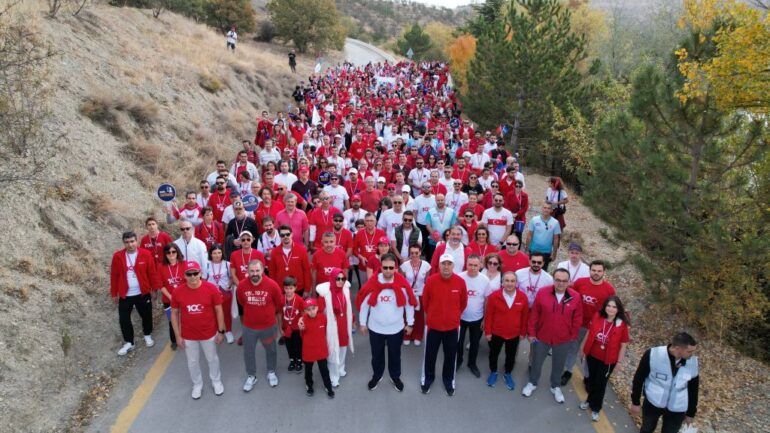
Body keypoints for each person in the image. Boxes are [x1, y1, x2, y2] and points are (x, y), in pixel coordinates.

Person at [522, 268, 582, 404]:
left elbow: (577, 318)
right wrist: (531, 333)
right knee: (536, 361)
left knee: (559, 364)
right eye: (558, 280)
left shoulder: (575, 296)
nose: (560, 283)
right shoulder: (543, 292)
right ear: (553, 280)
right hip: (542, 336)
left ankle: (555, 386)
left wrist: (572, 335)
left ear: (569, 282)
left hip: (563, 339)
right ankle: (532, 382)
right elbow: (534, 314)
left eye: (564, 281)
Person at [358, 253, 416, 392]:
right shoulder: (373, 282)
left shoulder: (402, 284)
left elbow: (408, 304)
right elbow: (365, 304)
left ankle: (395, 376)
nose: (388, 271)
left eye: (391, 268)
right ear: (381, 267)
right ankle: (377, 376)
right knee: (376, 355)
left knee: (395, 355)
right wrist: (362, 323)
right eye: (385, 268)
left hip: (396, 329)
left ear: (395, 268)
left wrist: (410, 323)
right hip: (375, 328)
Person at [170, 261, 226, 399]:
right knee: (192, 362)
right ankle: (197, 384)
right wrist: (177, 336)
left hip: (209, 333)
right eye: (189, 274)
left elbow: (219, 310)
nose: (193, 276)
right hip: (188, 335)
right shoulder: (178, 292)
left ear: (200, 273)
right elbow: (174, 314)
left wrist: (221, 331)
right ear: (185, 275)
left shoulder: (211, 289)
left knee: (212, 359)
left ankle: (216, 381)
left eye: (195, 273)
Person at [631, 333, 700, 433]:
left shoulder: (692, 362)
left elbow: (693, 390)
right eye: (689, 351)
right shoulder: (653, 355)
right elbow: (638, 378)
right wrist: (635, 402)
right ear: (677, 348)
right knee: (646, 430)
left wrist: (690, 413)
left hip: (677, 409)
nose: (692, 354)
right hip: (652, 403)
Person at [562, 259, 616, 386]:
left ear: (604, 272)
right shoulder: (580, 283)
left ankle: (587, 377)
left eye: (599, 271)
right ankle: (568, 371)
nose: (596, 273)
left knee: (589, 353)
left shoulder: (609, 289)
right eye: (594, 270)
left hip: (596, 327)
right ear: (589, 270)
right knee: (572, 349)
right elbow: (568, 295)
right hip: (578, 323)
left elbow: (613, 307)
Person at [421, 253, 468, 396]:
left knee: (450, 356)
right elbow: (425, 303)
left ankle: (448, 380)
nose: (446, 267)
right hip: (433, 327)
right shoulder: (430, 281)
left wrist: (452, 316)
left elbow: (463, 304)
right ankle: (428, 379)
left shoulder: (460, 282)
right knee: (430, 355)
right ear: (439, 265)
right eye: (443, 264)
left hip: (452, 327)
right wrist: (434, 316)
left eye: (449, 264)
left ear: (453, 266)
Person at [578, 296, 630, 422]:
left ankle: (596, 408)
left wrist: (619, 362)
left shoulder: (622, 325)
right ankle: (589, 400)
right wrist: (583, 348)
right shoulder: (597, 316)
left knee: (600, 383)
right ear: (604, 307)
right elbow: (589, 332)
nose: (611, 309)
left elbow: (623, 345)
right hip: (593, 355)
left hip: (608, 360)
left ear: (618, 309)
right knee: (591, 380)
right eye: (608, 306)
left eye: (614, 307)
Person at [110, 231, 161, 356]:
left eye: (132, 241)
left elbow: (152, 273)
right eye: (127, 242)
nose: (130, 244)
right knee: (124, 319)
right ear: (124, 243)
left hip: (142, 292)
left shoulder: (146, 254)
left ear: (136, 241)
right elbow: (114, 276)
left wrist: (154, 290)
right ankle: (129, 342)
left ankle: (147, 334)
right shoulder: (118, 256)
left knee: (146, 315)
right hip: (125, 294)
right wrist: (114, 293)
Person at [238, 260, 284, 391]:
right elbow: (242, 302)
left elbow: (279, 303)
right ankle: (251, 376)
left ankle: (271, 372)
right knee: (248, 352)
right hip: (249, 327)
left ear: (263, 270)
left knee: (271, 350)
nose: (254, 274)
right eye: (251, 271)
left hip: (268, 326)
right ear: (248, 271)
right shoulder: (241, 286)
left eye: (257, 270)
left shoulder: (272, 285)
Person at [484, 271, 528, 390]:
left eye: (512, 281)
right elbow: (489, 315)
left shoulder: (523, 297)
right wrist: (488, 332)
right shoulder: (494, 296)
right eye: (507, 280)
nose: (509, 283)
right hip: (496, 333)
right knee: (494, 354)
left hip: (514, 334)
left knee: (511, 356)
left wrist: (523, 332)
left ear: (516, 283)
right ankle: (493, 372)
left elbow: (525, 317)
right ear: (502, 282)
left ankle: (507, 373)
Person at [315, 268, 354, 388]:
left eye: (343, 279)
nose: (341, 281)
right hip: (331, 327)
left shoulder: (345, 291)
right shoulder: (325, 294)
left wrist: (352, 319)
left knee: (343, 347)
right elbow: (319, 312)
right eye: (338, 278)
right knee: (332, 350)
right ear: (332, 278)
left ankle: (341, 367)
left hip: (343, 324)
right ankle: (333, 375)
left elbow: (348, 306)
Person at [457, 255, 491, 378]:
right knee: (458, 343)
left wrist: (485, 319)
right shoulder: (459, 278)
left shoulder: (485, 280)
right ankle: (458, 361)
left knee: (475, 343)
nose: (472, 267)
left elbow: (487, 300)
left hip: (477, 318)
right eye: (470, 264)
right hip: (460, 318)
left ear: (480, 265)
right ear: (466, 264)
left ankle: (472, 364)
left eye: (475, 265)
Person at [298, 298, 335, 398]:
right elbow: (302, 335)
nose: (311, 311)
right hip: (308, 350)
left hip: (321, 350)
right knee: (308, 370)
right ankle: (309, 385)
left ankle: (328, 386)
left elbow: (328, 331)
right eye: (308, 309)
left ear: (317, 308)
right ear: (305, 311)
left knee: (324, 370)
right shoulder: (303, 320)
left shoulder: (323, 318)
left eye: (313, 308)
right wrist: (301, 328)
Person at [268, 225, 312, 296]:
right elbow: (272, 271)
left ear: (292, 234)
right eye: (282, 235)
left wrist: (307, 289)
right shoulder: (274, 252)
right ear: (280, 236)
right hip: (281, 289)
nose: (285, 237)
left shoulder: (301, 250)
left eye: (287, 234)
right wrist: (274, 289)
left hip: (298, 288)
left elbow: (306, 270)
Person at [400, 244, 430, 346]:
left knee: (419, 316)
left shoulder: (426, 265)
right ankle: (407, 335)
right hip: (408, 294)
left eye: (416, 253)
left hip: (420, 293)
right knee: (406, 315)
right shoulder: (404, 265)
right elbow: (402, 281)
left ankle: (417, 335)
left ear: (420, 253)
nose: (414, 255)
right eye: (412, 253)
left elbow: (427, 281)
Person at [205, 244, 234, 344]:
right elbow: (204, 279)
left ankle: (228, 331)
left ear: (222, 253)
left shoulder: (227, 264)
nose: (217, 255)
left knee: (226, 312)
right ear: (210, 254)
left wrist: (229, 285)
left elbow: (231, 277)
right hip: (211, 293)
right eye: (214, 253)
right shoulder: (206, 265)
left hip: (225, 291)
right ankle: (218, 330)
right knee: (214, 312)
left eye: (219, 253)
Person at [159, 242, 186, 350]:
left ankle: (188, 336)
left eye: (173, 251)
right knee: (172, 320)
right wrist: (172, 297)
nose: (171, 254)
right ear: (165, 254)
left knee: (186, 318)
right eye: (168, 252)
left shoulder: (184, 264)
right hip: (168, 299)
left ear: (177, 252)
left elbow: (188, 281)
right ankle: (174, 340)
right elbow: (160, 285)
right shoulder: (161, 267)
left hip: (184, 297)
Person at [523, 203, 562, 271]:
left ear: (551, 210)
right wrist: (526, 249)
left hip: (546, 252)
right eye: (545, 207)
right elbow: (529, 235)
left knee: (543, 271)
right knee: (530, 269)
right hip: (533, 250)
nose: (546, 210)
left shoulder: (555, 222)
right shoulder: (534, 220)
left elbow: (556, 239)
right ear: (542, 209)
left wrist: (554, 253)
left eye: (548, 208)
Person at [281, 276, 305, 373]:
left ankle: (299, 360)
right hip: (286, 327)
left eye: (291, 288)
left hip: (296, 328)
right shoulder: (281, 299)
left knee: (297, 345)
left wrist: (302, 324)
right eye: (286, 288)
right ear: (284, 288)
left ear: (295, 288)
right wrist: (280, 327)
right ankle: (292, 360)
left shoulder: (299, 300)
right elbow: (279, 313)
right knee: (289, 345)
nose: (289, 291)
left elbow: (303, 313)